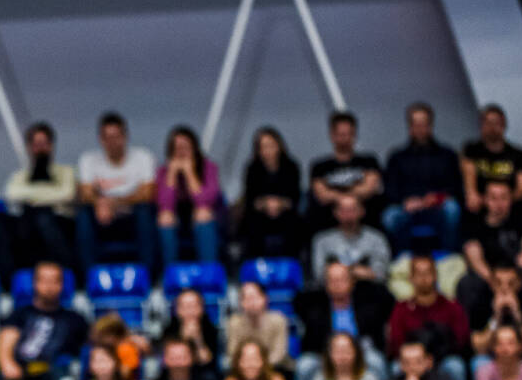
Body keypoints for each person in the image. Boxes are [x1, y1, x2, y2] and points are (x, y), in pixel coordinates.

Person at [0, 260, 88, 380]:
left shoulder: (75, 319)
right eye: (44, 280)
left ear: (62, 284)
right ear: (35, 283)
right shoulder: (20, 314)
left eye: (54, 281)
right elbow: (6, 340)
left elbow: (95, 342)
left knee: (66, 379)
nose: (49, 286)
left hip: (57, 375)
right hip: (22, 374)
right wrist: (7, 364)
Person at [76, 112, 158, 274]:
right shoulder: (88, 159)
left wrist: (112, 203)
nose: (112, 142)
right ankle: (88, 275)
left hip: (133, 215)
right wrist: (100, 203)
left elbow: (147, 193)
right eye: (107, 137)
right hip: (101, 218)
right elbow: (85, 194)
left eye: (116, 136)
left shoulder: (143, 157)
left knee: (144, 211)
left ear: (125, 136)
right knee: (84, 214)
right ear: (100, 139)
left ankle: (147, 274)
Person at [382, 102, 464, 253]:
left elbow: (456, 187)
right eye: (416, 124)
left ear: (431, 125)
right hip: (407, 208)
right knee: (390, 216)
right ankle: (402, 259)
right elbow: (390, 190)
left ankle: (450, 257)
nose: (420, 128)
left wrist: (436, 198)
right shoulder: (397, 157)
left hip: (438, 206)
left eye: (423, 124)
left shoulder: (447, 155)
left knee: (452, 209)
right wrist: (406, 201)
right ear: (409, 127)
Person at [457, 179, 522, 319]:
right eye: (493, 198)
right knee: (467, 283)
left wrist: (511, 280)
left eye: (504, 197)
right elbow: (474, 256)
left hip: (518, 275)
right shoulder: (474, 221)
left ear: (511, 198)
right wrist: (495, 282)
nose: (499, 203)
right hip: (487, 277)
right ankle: (473, 328)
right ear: (485, 199)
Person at [3, 121, 78, 271]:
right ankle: (10, 279)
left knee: (43, 216)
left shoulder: (66, 171)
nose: (40, 148)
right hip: (27, 224)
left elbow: (67, 194)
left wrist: (31, 197)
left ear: (51, 145)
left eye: (44, 143)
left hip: (60, 223)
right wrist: (51, 194)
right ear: (29, 147)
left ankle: (67, 271)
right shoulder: (19, 176)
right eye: (36, 144)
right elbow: (11, 194)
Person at [295, 261, 392, 359]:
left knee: (375, 359)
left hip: (361, 352)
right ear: (325, 284)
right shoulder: (315, 307)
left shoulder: (366, 303)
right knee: (306, 363)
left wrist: (367, 277)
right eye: (332, 280)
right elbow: (299, 299)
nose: (337, 284)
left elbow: (388, 299)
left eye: (342, 279)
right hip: (325, 354)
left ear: (352, 282)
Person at [387, 254, 470, 367]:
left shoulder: (452, 307)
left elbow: (462, 341)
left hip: (444, 358)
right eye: (418, 273)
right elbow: (396, 343)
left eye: (427, 273)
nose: (423, 278)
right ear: (411, 278)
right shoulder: (401, 309)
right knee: (396, 367)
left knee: (455, 365)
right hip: (411, 360)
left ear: (435, 276)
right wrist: (417, 359)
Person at [156, 125, 222, 266]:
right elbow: (164, 204)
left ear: (194, 148)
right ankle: (170, 271)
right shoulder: (163, 171)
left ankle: (208, 269)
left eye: (185, 147)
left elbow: (205, 201)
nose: (181, 153)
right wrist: (171, 175)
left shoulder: (209, 167)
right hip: (177, 217)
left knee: (202, 213)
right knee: (165, 217)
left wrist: (189, 173)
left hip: (204, 216)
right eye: (177, 148)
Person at [308, 110, 384, 231]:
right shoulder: (319, 166)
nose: (345, 138)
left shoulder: (369, 161)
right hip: (328, 218)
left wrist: (342, 198)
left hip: (365, 217)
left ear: (355, 135)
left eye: (349, 134)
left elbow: (369, 188)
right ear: (332, 135)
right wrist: (347, 200)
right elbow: (322, 195)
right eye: (341, 134)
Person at [238, 127, 305, 261]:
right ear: (258, 150)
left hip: (285, 212)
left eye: (271, 146)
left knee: (294, 223)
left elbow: (294, 197)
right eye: (263, 147)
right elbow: (250, 199)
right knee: (251, 223)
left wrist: (278, 204)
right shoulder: (252, 168)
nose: (268, 150)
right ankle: (255, 264)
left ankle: (291, 263)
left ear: (279, 146)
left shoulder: (291, 166)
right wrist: (267, 204)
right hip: (260, 213)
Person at [462, 103, 522, 211]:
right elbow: (469, 180)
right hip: (481, 203)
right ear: (481, 125)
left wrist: (502, 201)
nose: (492, 128)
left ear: (504, 125)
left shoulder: (519, 154)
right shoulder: (471, 150)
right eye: (488, 123)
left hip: (510, 204)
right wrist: (479, 198)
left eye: (496, 123)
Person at [310, 196, 391, 283]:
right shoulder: (322, 240)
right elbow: (319, 274)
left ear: (362, 211)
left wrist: (341, 271)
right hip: (333, 288)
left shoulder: (376, 238)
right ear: (335, 212)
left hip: (369, 288)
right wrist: (356, 271)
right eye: (343, 210)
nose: (348, 214)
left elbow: (382, 274)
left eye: (352, 209)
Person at [469, 263, 522, 355]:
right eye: (498, 283)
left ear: (519, 283)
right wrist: (496, 317)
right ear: (491, 283)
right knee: (480, 360)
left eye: (511, 283)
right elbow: (479, 348)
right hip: (492, 357)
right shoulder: (481, 302)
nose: (504, 288)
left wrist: (517, 315)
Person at [223, 279, 289, 373]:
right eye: (246, 298)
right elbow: (232, 352)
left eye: (255, 297)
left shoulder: (278, 320)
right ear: (240, 303)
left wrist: (257, 365)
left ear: (265, 299)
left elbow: (279, 354)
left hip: (274, 367)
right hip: (243, 369)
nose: (251, 302)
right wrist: (249, 365)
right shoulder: (234, 322)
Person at [161, 287, 221, 368]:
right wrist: (183, 337)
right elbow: (167, 362)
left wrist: (197, 339)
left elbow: (207, 361)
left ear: (202, 308)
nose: (189, 310)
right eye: (185, 306)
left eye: (193, 306)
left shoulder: (211, 331)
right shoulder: (169, 331)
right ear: (177, 310)